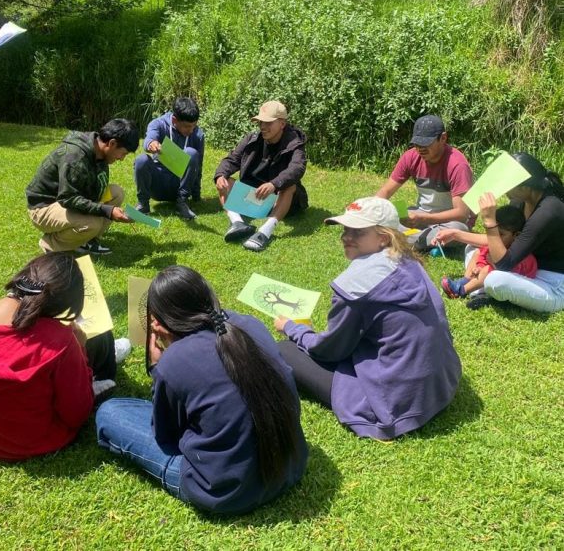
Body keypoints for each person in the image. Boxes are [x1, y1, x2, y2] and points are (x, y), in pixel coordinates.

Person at [95, 265, 308, 515]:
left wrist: (158, 367)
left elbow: (167, 437)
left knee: (110, 412)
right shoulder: (250, 324)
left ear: (159, 323)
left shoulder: (173, 361)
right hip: (291, 467)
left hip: (225, 492)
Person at [275, 197, 462, 440]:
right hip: (440, 386)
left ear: (384, 237)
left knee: (284, 350)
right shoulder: (410, 261)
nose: (345, 237)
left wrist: (293, 328)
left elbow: (329, 351)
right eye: (345, 229)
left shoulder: (356, 287)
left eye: (357, 232)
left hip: (397, 404)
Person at [0, 252, 132, 463]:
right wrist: (80, 350)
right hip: (29, 442)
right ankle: (98, 374)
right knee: (95, 344)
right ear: (62, 303)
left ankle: (102, 359)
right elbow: (76, 414)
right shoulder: (58, 339)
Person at [434, 152, 564, 312]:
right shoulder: (520, 201)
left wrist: (489, 221)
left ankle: (480, 288)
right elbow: (502, 240)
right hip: (523, 268)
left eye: (507, 185)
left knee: (495, 280)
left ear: (524, 186)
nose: (502, 189)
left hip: (551, 285)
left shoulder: (549, 210)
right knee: (472, 249)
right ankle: (479, 287)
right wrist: (456, 234)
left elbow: (503, 263)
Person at [26, 120, 139, 256]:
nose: (122, 159)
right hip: (44, 207)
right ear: (112, 143)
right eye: (123, 153)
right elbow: (67, 198)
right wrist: (107, 211)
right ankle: (50, 244)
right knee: (92, 224)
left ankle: (88, 241)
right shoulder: (75, 157)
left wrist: (109, 210)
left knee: (116, 193)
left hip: (68, 200)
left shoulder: (99, 151)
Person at [214, 100, 308, 252]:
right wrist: (220, 176)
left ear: (282, 124)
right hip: (253, 197)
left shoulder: (295, 144)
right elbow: (231, 160)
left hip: (279, 200)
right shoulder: (251, 139)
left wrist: (274, 184)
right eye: (260, 122)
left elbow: (297, 168)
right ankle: (237, 222)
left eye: (268, 123)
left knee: (290, 185)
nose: (262, 127)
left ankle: (265, 232)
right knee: (225, 180)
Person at [376, 115, 474, 251]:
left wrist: (423, 219)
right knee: (389, 216)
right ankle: (417, 239)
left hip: (451, 222)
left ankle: (402, 239)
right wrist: (368, 209)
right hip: (421, 216)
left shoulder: (457, 165)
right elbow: (385, 191)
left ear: (443, 138)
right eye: (417, 144)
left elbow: (462, 213)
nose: (420, 148)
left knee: (457, 230)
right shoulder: (410, 157)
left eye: (426, 143)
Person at [441, 205, 537, 303]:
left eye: (501, 234)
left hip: (514, 285)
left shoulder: (519, 253)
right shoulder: (496, 245)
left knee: (487, 270)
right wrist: (479, 266)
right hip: (491, 277)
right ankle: (464, 281)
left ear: (516, 235)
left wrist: (493, 264)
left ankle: (461, 290)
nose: (495, 238)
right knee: (477, 253)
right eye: (493, 233)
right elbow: (483, 253)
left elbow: (513, 271)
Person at [133, 97, 204, 221]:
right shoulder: (158, 124)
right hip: (158, 183)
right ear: (174, 120)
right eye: (187, 126)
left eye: (194, 125)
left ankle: (182, 202)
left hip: (180, 185)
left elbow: (198, 167)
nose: (191, 130)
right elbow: (149, 140)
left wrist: (196, 196)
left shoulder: (198, 135)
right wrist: (151, 144)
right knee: (141, 160)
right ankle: (143, 204)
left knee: (191, 153)